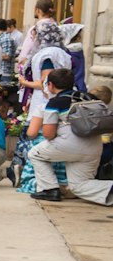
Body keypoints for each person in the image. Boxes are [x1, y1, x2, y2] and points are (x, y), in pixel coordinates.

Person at [28, 68, 113, 205]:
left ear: (50, 85)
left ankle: (49, 189)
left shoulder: (55, 103)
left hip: (68, 145)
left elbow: (48, 134)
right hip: (95, 146)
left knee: (35, 154)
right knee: (79, 186)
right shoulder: (90, 97)